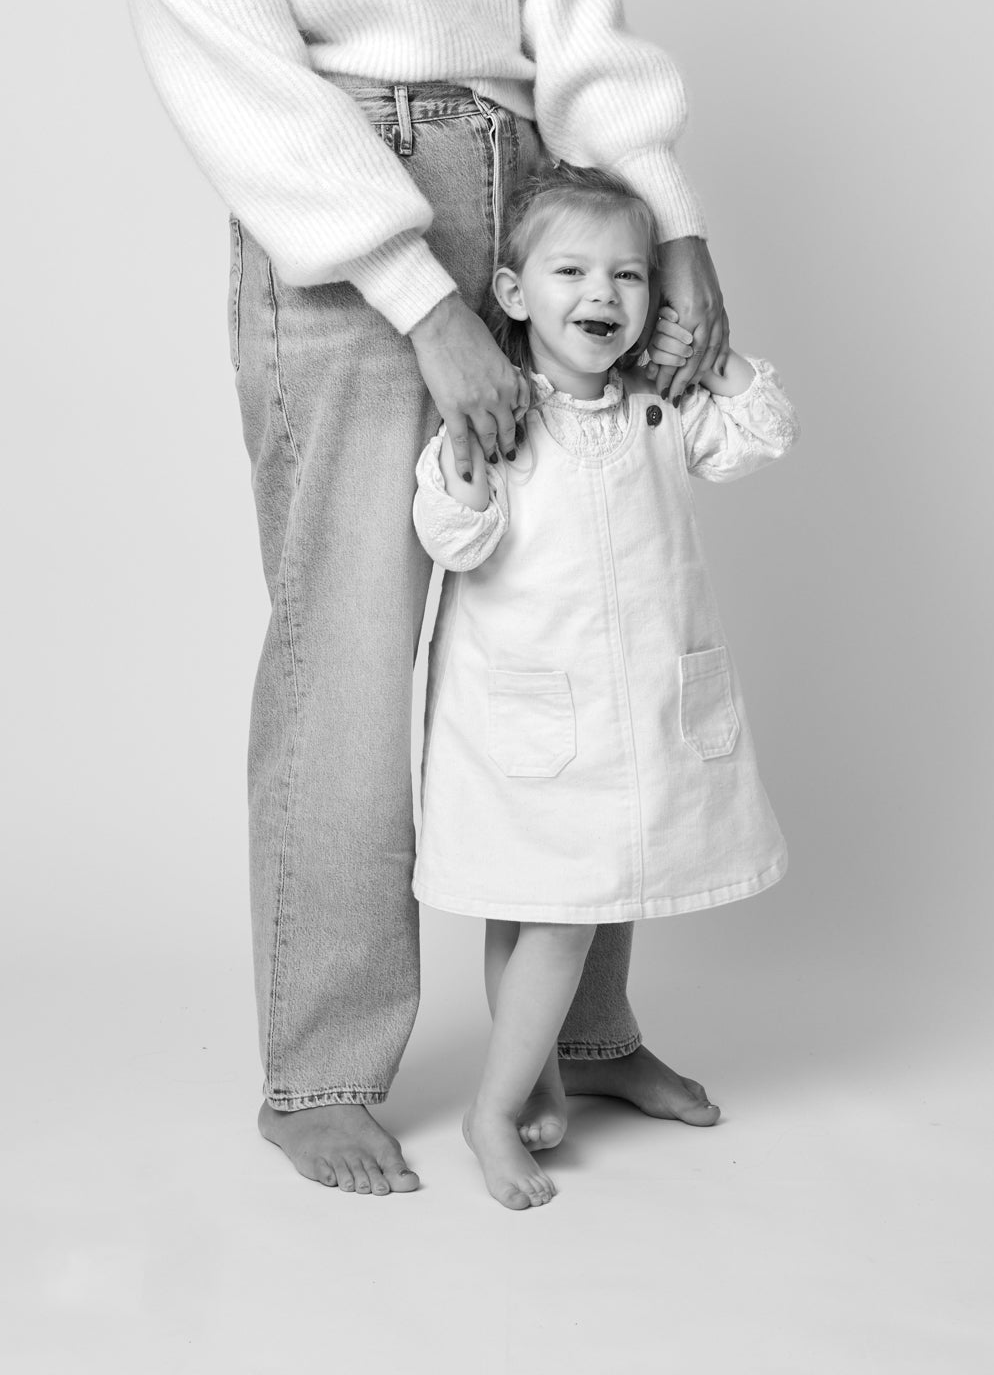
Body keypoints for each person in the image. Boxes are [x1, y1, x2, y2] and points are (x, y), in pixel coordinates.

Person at [55, 0, 733, 1196]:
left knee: (581, 618)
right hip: (348, 238)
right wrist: (424, 296)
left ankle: (582, 1031)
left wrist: (664, 216)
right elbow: (251, 103)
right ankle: (317, 1077)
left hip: (542, 194)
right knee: (351, 658)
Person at [412, 162, 798, 1206]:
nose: (603, 294)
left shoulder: (658, 410)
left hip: (637, 710)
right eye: (572, 271)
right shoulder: (500, 420)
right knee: (547, 914)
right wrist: (464, 465)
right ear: (513, 292)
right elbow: (451, 537)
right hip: (530, 720)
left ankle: (547, 1073)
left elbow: (763, 432)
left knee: (540, 909)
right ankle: (495, 1108)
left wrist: (704, 355)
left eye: (628, 275)